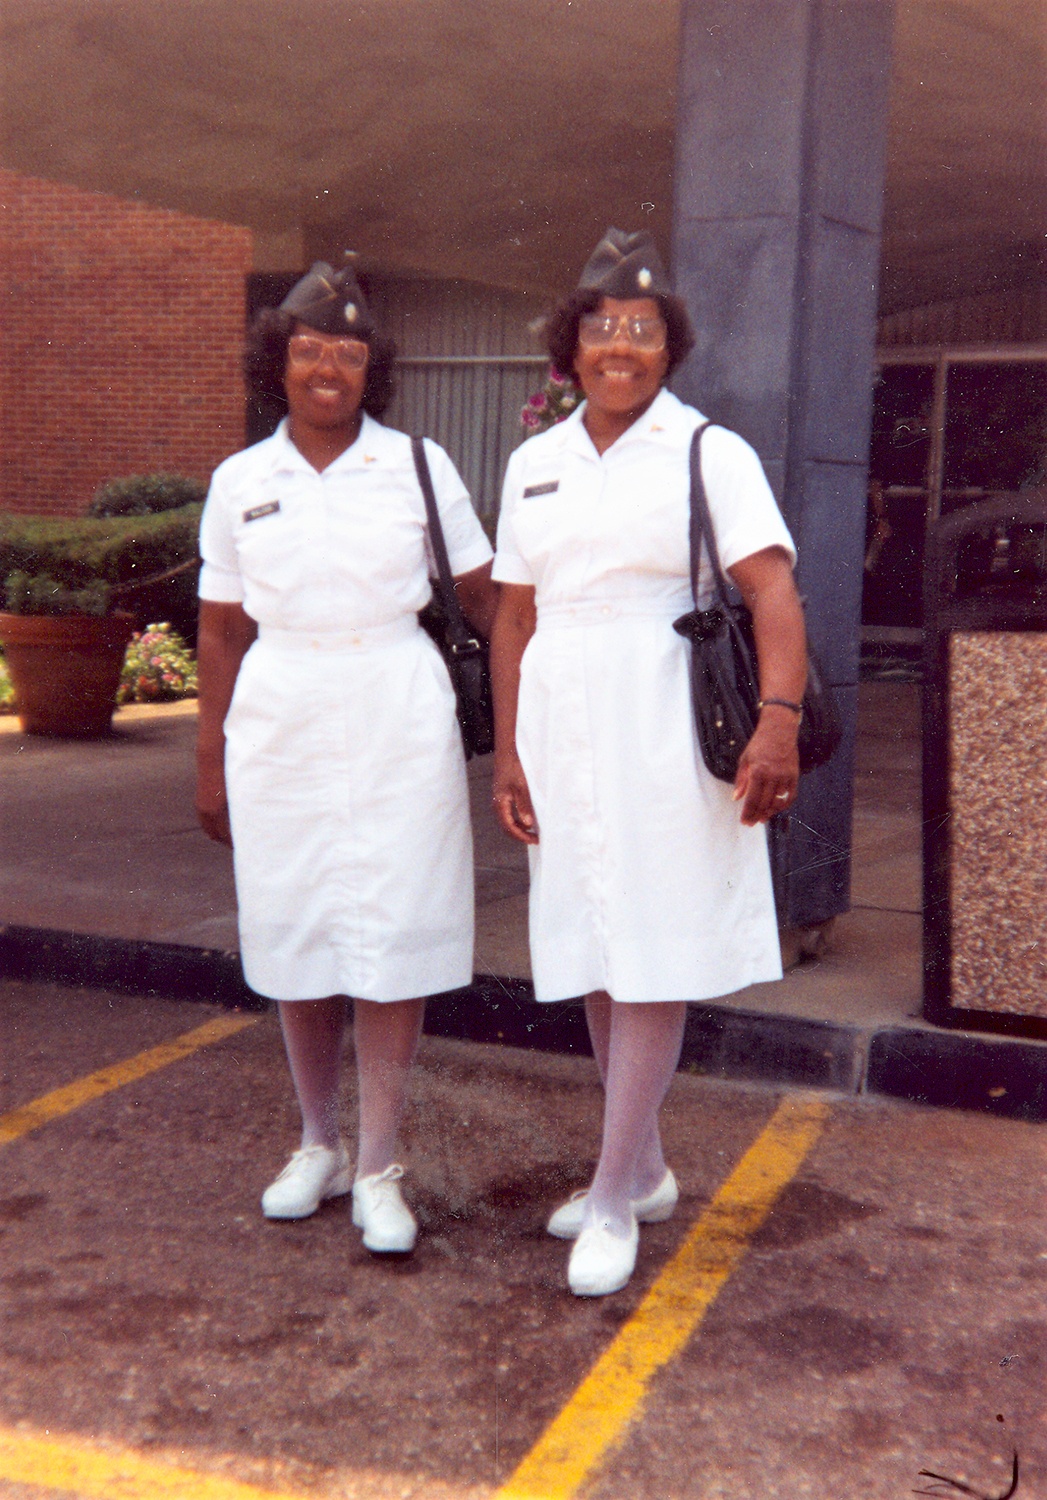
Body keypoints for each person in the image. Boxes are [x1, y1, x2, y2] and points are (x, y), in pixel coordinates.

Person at [490, 229, 806, 1297]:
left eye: (642, 331)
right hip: (561, 717)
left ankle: (615, 1194)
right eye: (600, 330)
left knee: (654, 944)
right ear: (568, 350)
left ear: (668, 350)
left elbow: (771, 592)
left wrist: (778, 721)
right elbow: (513, 616)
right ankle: (648, 1165)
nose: (619, 347)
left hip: (666, 715)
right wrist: (510, 755)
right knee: (592, 938)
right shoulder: (535, 462)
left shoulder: (710, 450)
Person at [195, 261, 497, 1253]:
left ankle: (379, 1166)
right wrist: (208, 757)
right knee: (298, 928)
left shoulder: (418, 466)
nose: (328, 367)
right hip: (279, 716)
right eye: (309, 349)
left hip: (395, 708)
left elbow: (494, 603)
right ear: (277, 364)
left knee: (390, 931)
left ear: (375, 371)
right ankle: (317, 1143)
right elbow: (223, 632)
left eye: (349, 353)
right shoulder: (242, 481)